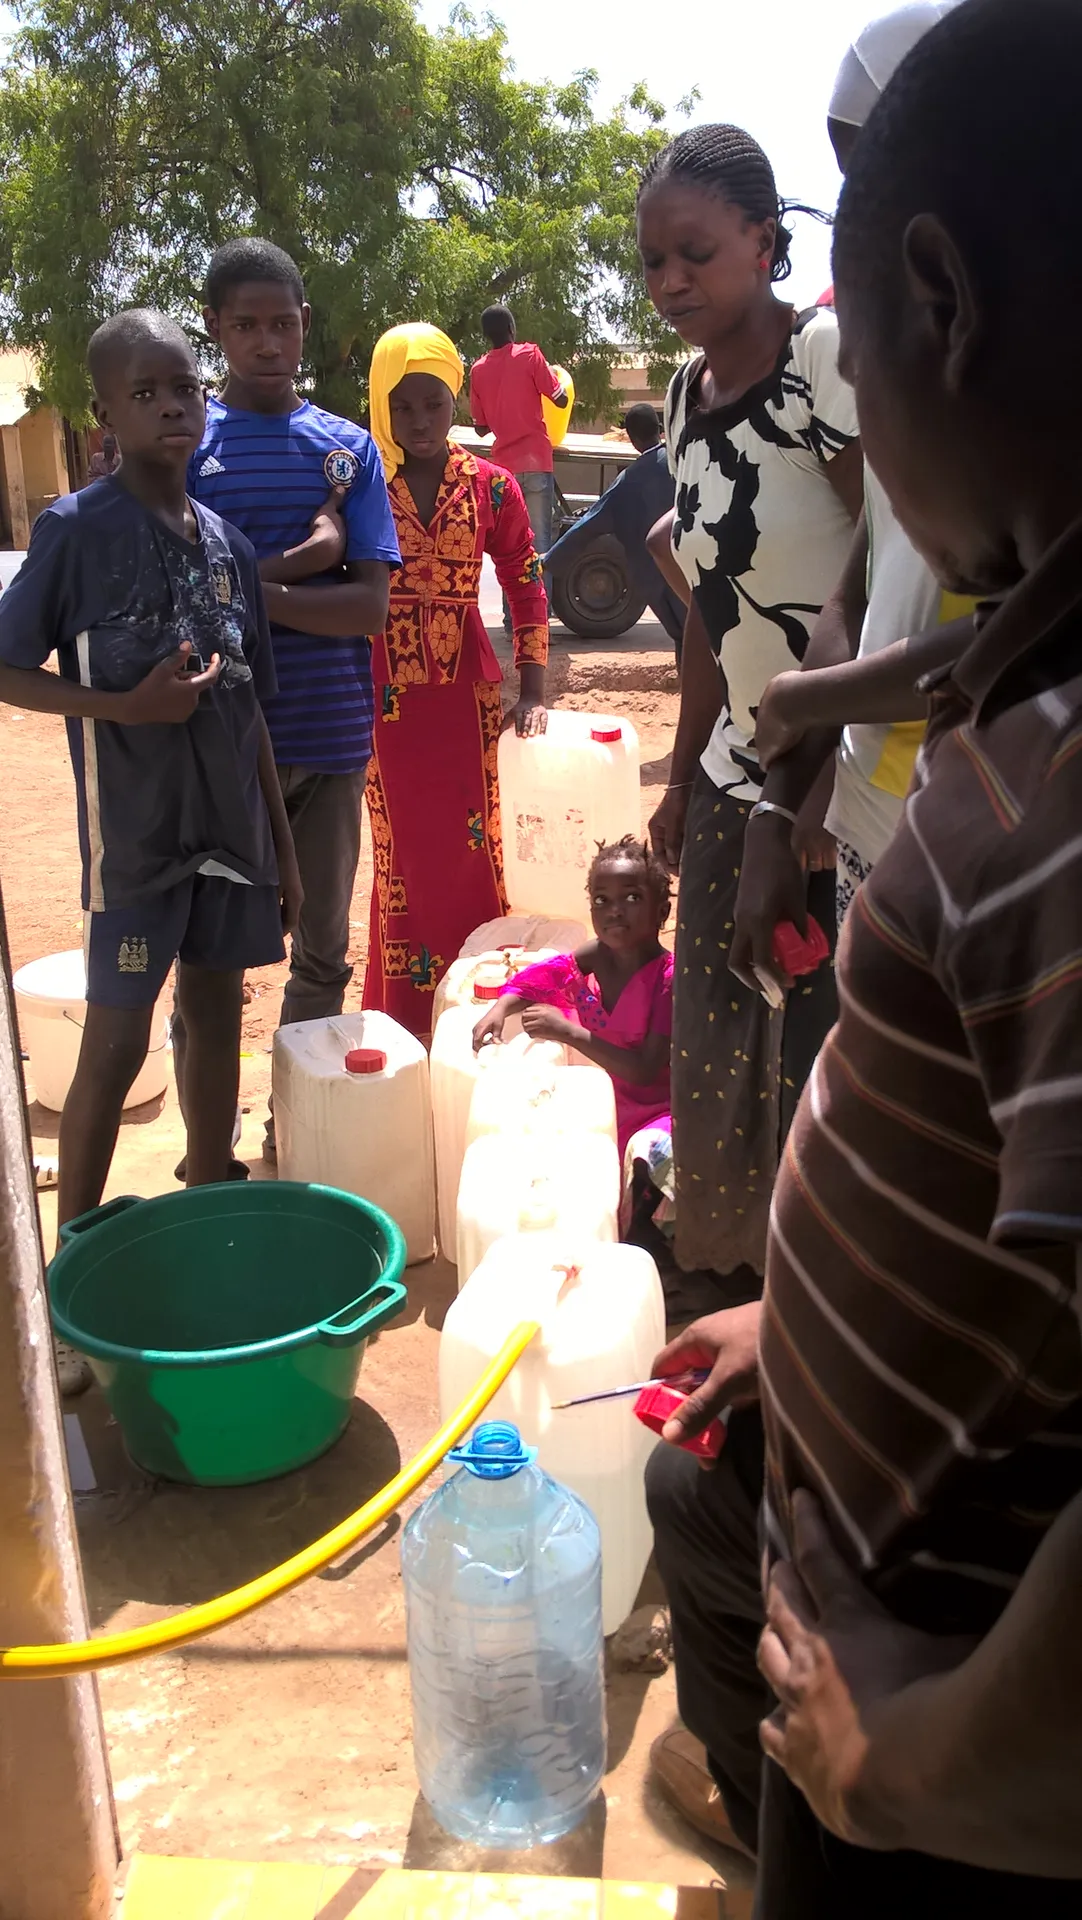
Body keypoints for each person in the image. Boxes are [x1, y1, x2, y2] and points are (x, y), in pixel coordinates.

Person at [653, 1, 1082, 1908]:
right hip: (887, 1587)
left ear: (933, 300)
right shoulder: (1034, 671)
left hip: (931, 1710)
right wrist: (800, 1321)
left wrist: (906, 1763)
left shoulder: (1064, 799)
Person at [0, 309, 299, 1391]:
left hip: (229, 838)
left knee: (217, 1018)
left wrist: (286, 854)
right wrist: (119, 706)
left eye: (185, 388)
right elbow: (7, 667)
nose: (173, 405)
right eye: (147, 391)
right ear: (108, 413)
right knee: (115, 1050)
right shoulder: (74, 533)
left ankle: (208, 1207)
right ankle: (73, 1280)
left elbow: (254, 707)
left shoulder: (226, 546)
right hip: (134, 846)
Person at [640, 125, 863, 1293]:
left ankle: (819, 1294)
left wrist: (805, 801)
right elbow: (702, 606)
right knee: (719, 1044)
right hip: (737, 768)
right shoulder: (683, 393)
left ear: (764, 245)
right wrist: (681, 777)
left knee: (825, 1046)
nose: (672, 281)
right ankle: (724, 1284)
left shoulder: (818, 360)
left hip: (836, 778)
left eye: (695, 253)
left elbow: (872, 569)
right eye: (652, 263)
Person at [732, 0, 973, 975]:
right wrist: (780, 802)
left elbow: (1038, 625)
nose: (870, 195)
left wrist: (807, 693)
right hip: (878, 823)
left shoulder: (1033, 356)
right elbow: (861, 574)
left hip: (996, 829)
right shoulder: (899, 341)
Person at [187, 238, 399, 1157]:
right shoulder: (187, 442)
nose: (267, 342)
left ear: (305, 325)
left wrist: (249, 597)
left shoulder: (346, 451)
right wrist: (292, 582)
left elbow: (368, 608)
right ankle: (211, 1129)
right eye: (247, 326)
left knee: (321, 948)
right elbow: (176, 606)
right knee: (214, 960)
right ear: (215, 330)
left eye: (283, 323)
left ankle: (294, 1119)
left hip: (329, 737)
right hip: (218, 749)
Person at [362, 323, 549, 1035]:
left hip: (467, 696)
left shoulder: (493, 488)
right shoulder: (360, 484)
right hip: (383, 701)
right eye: (403, 407)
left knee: (479, 853)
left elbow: (527, 582)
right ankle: (401, 1020)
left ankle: (475, 1011)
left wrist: (532, 690)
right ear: (385, 408)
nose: (419, 422)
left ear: (454, 403)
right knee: (399, 860)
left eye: (433, 404)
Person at [472, 835, 673, 1168]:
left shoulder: (668, 979)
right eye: (601, 900)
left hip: (662, 1113)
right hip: (606, 1104)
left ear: (661, 911)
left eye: (632, 898)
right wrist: (501, 1006)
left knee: (648, 1158)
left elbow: (644, 1070)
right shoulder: (598, 955)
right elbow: (550, 973)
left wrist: (567, 1032)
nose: (615, 911)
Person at [543, 404, 685, 654]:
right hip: (697, 568)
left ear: (631, 438)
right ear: (660, 430)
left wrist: (549, 560)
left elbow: (589, 526)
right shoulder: (684, 462)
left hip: (660, 579)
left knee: (685, 639)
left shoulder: (628, 482)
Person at [468, 305, 567, 558]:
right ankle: (540, 599)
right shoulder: (530, 355)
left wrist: (499, 410)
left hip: (503, 470)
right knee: (540, 547)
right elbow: (561, 400)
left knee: (510, 550)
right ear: (512, 328)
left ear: (486, 336)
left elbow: (480, 428)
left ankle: (510, 600)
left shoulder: (478, 370)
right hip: (536, 462)